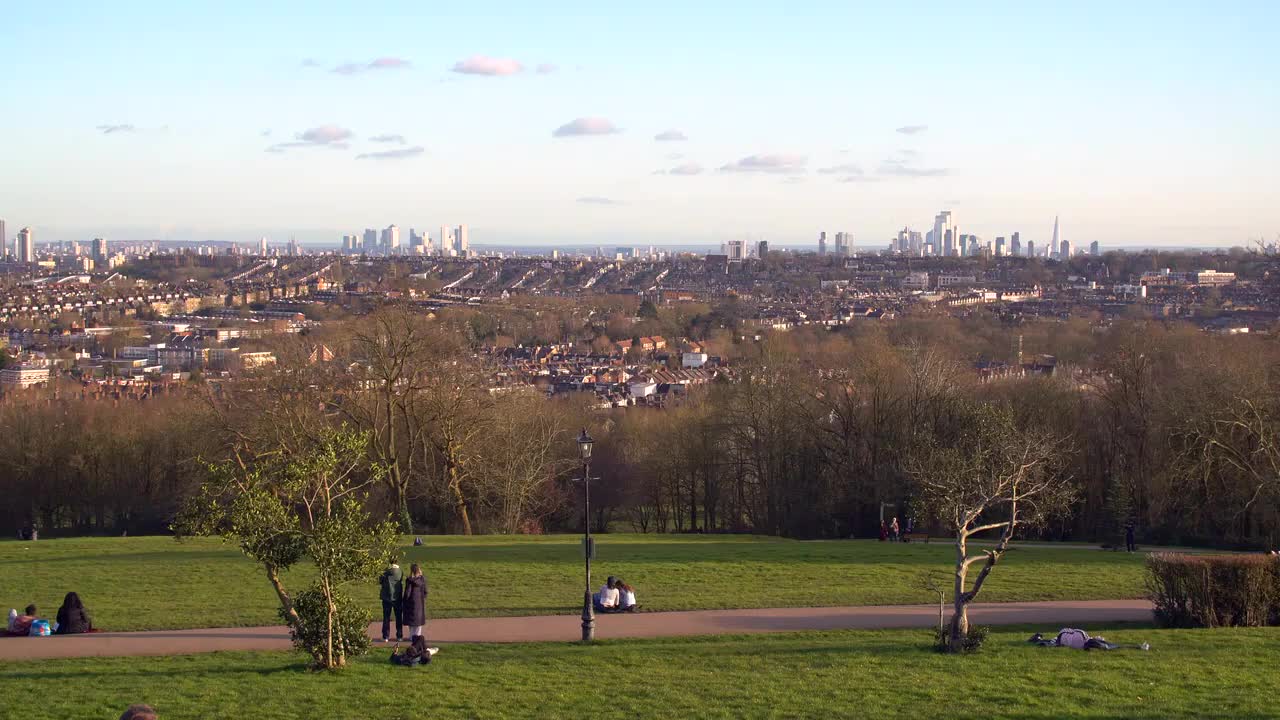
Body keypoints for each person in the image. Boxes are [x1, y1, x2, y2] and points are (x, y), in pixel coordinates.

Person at [401, 563, 428, 639]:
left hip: (411, 602)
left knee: (411, 621)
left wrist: (405, 600)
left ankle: (412, 636)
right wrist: (422, 598)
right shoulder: (422, 579)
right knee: (418, 621)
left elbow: (407, 593)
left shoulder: (410, 580)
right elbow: (425, 591)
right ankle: (417, 636)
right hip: (420, 602)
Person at [379, 561, 404, 643]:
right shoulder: (400, 572)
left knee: (386, 617)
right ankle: (399, 636)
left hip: (387, 597)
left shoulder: (386, 571)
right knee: (398, 617)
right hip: (397, 597)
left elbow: (380, 580)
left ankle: (385, 636)